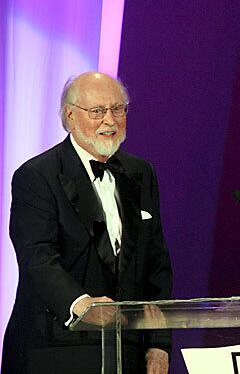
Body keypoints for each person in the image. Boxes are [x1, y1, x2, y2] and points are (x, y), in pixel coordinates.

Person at [1, 72, 173, 373]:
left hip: (125, 352)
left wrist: (158, 344)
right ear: (70, 116)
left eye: (118, 109)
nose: (110, 120)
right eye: (98, 111)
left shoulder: (141, 173)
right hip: (56, 349)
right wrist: (83, 305)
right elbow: (37, 257)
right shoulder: (37, 176)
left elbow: (156, 264)